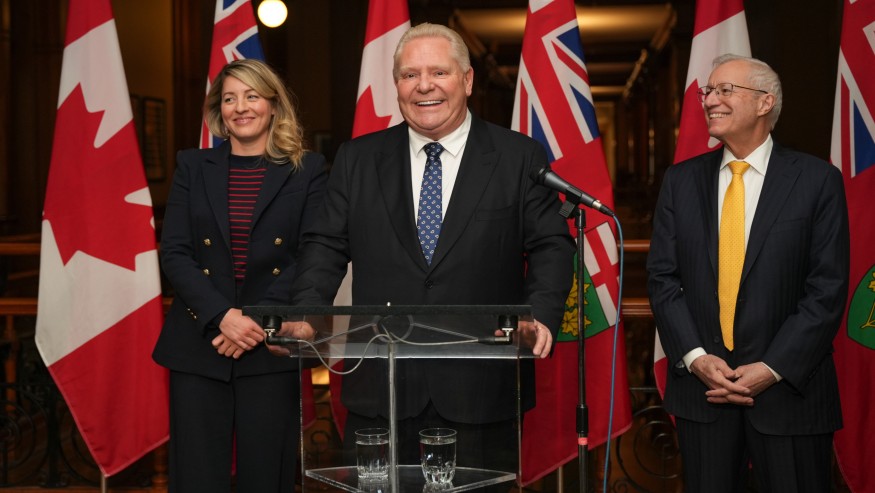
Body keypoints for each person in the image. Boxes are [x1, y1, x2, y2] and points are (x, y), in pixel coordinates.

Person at [283, 23, 574, 479]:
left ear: (467, 80)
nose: (424, 86)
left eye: (439, 72)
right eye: (409, 75)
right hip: (381, 387)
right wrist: (305, 313)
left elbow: (551, 246)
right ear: (396, 84)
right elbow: (325, 245)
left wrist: (538, 315)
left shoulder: (518, 157)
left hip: (482, 390)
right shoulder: (358, 159)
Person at [647, 53, 849, 492]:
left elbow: (827, 288)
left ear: (764, 102)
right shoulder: (680, 181)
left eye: (724, 90)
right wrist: (697, 358)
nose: (709, 100)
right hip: (705, 393)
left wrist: (773, 368)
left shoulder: (817, 180)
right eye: (708, 92)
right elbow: (663, 279)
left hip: (790, 394)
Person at [153, 58, 327, 492]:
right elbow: (174, 252)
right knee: (196, 478)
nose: (240, 107)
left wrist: (252, 322)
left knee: (267, 476)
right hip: (200, 340)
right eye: (229, 99)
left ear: (273, 104)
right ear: (219, 110)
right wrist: (222, 316)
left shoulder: (308, 169)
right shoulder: (193, 166)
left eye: (251, 96)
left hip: (269, 344)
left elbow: (311, 253)